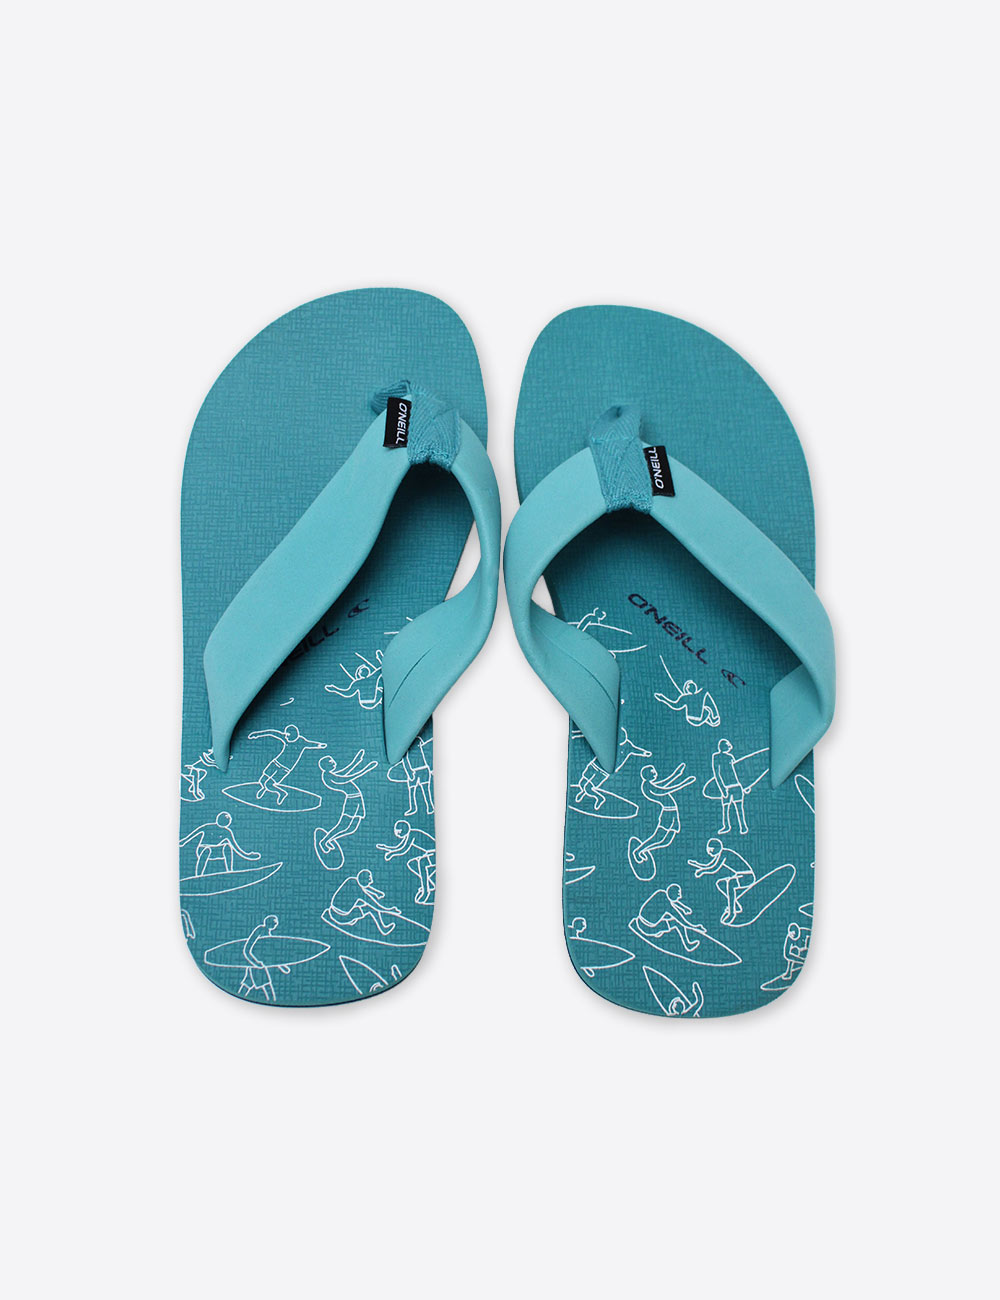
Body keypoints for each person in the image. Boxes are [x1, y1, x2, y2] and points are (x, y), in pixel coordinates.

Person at [314, 750, 378, 869]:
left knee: (352, 828)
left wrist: (357, 761)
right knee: (343, 825)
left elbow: (346, 772)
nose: (334, 762)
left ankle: (329, 839)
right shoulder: (328, 777)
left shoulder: (332, 774)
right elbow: (347, 778)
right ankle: (324, 841)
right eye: (331, 762)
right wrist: (366, 769)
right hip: (352, 801)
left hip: (357, 799)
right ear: (326, 766)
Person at [628, 763, 695, 875]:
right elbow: (664, 790)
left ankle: (642, 850)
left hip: (673, 813)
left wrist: (677, 774)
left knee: (666, 841)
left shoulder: (651, 784)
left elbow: (665, 784)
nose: (655, 773)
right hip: (667, 814)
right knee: (658, 837)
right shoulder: (647, 786)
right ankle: (638, 851)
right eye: (653, 772)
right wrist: (684, 783)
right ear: (647, 775)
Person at [247, 724, 326, 805]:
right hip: (276, 762)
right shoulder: (285, 738)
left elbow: (311, 744)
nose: (286, 737)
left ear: (294, 735)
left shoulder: (301, 741)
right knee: (262, 781)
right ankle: (264, 789)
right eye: (285, 735)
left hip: (285, 768)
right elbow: (272, 733)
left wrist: (320, 745)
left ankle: (281, 793)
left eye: (288, 735)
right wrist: (257, 734)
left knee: (269, 784)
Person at [687, 838, 756, 924]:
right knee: (721, 884)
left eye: (710, 850)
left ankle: (731, 913)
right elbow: (709, 865)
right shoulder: (721, 854)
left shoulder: (724, 854)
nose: (709, 852)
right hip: (740, 876)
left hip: (747, 877)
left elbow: (714, 868)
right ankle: (735, 905)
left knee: (731, 883)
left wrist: (702, 871)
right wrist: (697, 864)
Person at [179, 811, 260, 875]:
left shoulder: (227, 832)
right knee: (207, 850)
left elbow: (235, 847)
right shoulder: (208, 827)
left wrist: (247, 855)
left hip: (216, 851)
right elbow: (195, 833)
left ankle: (230, 872)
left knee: (227, 847)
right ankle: (198, 875)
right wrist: (183, 841)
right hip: (203, 849)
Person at [633, 884, 708, 953]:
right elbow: (682, 921)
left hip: (640, 921)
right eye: (678, 894)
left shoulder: (661, 893)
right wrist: (696, 927)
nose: (680, 896)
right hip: (648, 928)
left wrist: (683, 908)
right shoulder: (667, 906)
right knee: (676, 923)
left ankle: (659, 931)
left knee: (665, 915)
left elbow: (672, 902)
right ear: (673, 894)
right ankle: (688, 945)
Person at [323, 871, 401, 936]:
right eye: (369, 879)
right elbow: (376, 906)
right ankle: (383, 929)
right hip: (341, 917)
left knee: (357, 902)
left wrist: (376, 893)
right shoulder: (359, 893)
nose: (371, 881)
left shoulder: (351, 880)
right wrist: (390, 910)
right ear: (364, 880)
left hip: (332, 911)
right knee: (370, 908)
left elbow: (364, 888)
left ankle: (351, 920)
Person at [378, 819, 436, 905]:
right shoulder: (409, 835)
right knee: (412, 863)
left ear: (404, 830)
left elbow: (403, 849)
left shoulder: (413, 834)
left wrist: (391, 854)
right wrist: (386, 847)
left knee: (422, 862)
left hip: (433, 853)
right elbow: (399, 847)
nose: (396, 834)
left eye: (398, 831)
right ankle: (428, 884)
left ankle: (425, 892)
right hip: (429, 854)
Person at [238, 915, 283, 1001]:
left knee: (247, 984)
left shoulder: (266, 933)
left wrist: (280, 965)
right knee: (267, 986)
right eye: (274, 922)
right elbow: (247, 949)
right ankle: (272, 1001)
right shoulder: (260, 931)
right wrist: (255, 962)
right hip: (257, 966)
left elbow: (267, 954)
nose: (276, 924)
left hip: (257, 965)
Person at [709, 739, 749, 835]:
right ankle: (726, 826)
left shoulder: (730, 757)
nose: (730, 747)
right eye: (728, 745)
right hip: (726, 787)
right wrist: (722, 789)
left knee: (739, 807)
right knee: (726, 808)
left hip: (736, 786)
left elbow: (737, 771)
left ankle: (743, 826)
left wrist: (744, 786)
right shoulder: (716, 757)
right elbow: (717, 774)